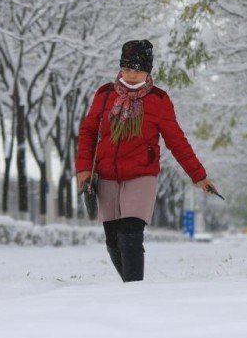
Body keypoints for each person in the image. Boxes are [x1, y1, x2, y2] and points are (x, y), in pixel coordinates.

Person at [76, 40, 219, 282]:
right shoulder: (104, 94)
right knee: (112, 238)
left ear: (148, 71)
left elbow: (176, 140)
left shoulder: (158, 100)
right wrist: (83, 170)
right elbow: (88, 132)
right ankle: (129, 285)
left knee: (130, 235)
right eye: (127, 69)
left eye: (137, 70)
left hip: (142, 175)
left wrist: (199, 175)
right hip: (106, 175)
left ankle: (135, 292)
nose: (131, 75)